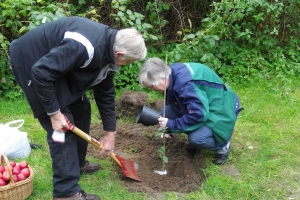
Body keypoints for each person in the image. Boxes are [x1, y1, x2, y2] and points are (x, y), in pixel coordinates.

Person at [9, 16, 147, 200]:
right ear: (119, 54)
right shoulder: (85, 46)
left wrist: (110, 133)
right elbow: (41, 72)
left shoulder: (108, 49)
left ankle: (78, 164)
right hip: (32, 60)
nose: (126, 66)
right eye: (128, 62)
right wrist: (55, 114)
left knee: (82, 108)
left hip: (55, 65)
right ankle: (66, 192)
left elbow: (105, 93)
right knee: (61, 129)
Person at [138, 57, 242, 165]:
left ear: (162, 78)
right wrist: (168, 130)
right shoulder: (171, 74)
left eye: (151, 86)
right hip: (203, 104)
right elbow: (177, 102)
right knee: (165, 113)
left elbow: (199, 115)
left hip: (222, 109)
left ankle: (222, 146)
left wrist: (171, 124)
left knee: (197, 138)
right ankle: (198, 134)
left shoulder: (186, 86)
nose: (151, 90)